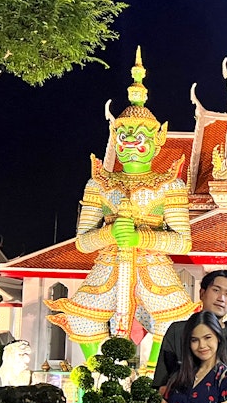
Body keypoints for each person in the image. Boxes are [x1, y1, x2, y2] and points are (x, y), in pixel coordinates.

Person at [46, 49, 196, 371]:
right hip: (109, 263)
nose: (130, 142)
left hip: (152, 265)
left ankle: (151, 376)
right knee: (81, 319)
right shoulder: (99, 184)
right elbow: (82, 242)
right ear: (115, 137)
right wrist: (110, 233)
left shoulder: (169, 185)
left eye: (140, 136)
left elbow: (183, 242)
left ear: (158, 141)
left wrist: (142, 237)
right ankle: (99, 379)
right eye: (124, 135)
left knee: (175, 319)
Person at [153, 270, 227, 399]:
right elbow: (162, 383)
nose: (221, 298)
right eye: (216, 290)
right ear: (202, 293)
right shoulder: (178, 331)